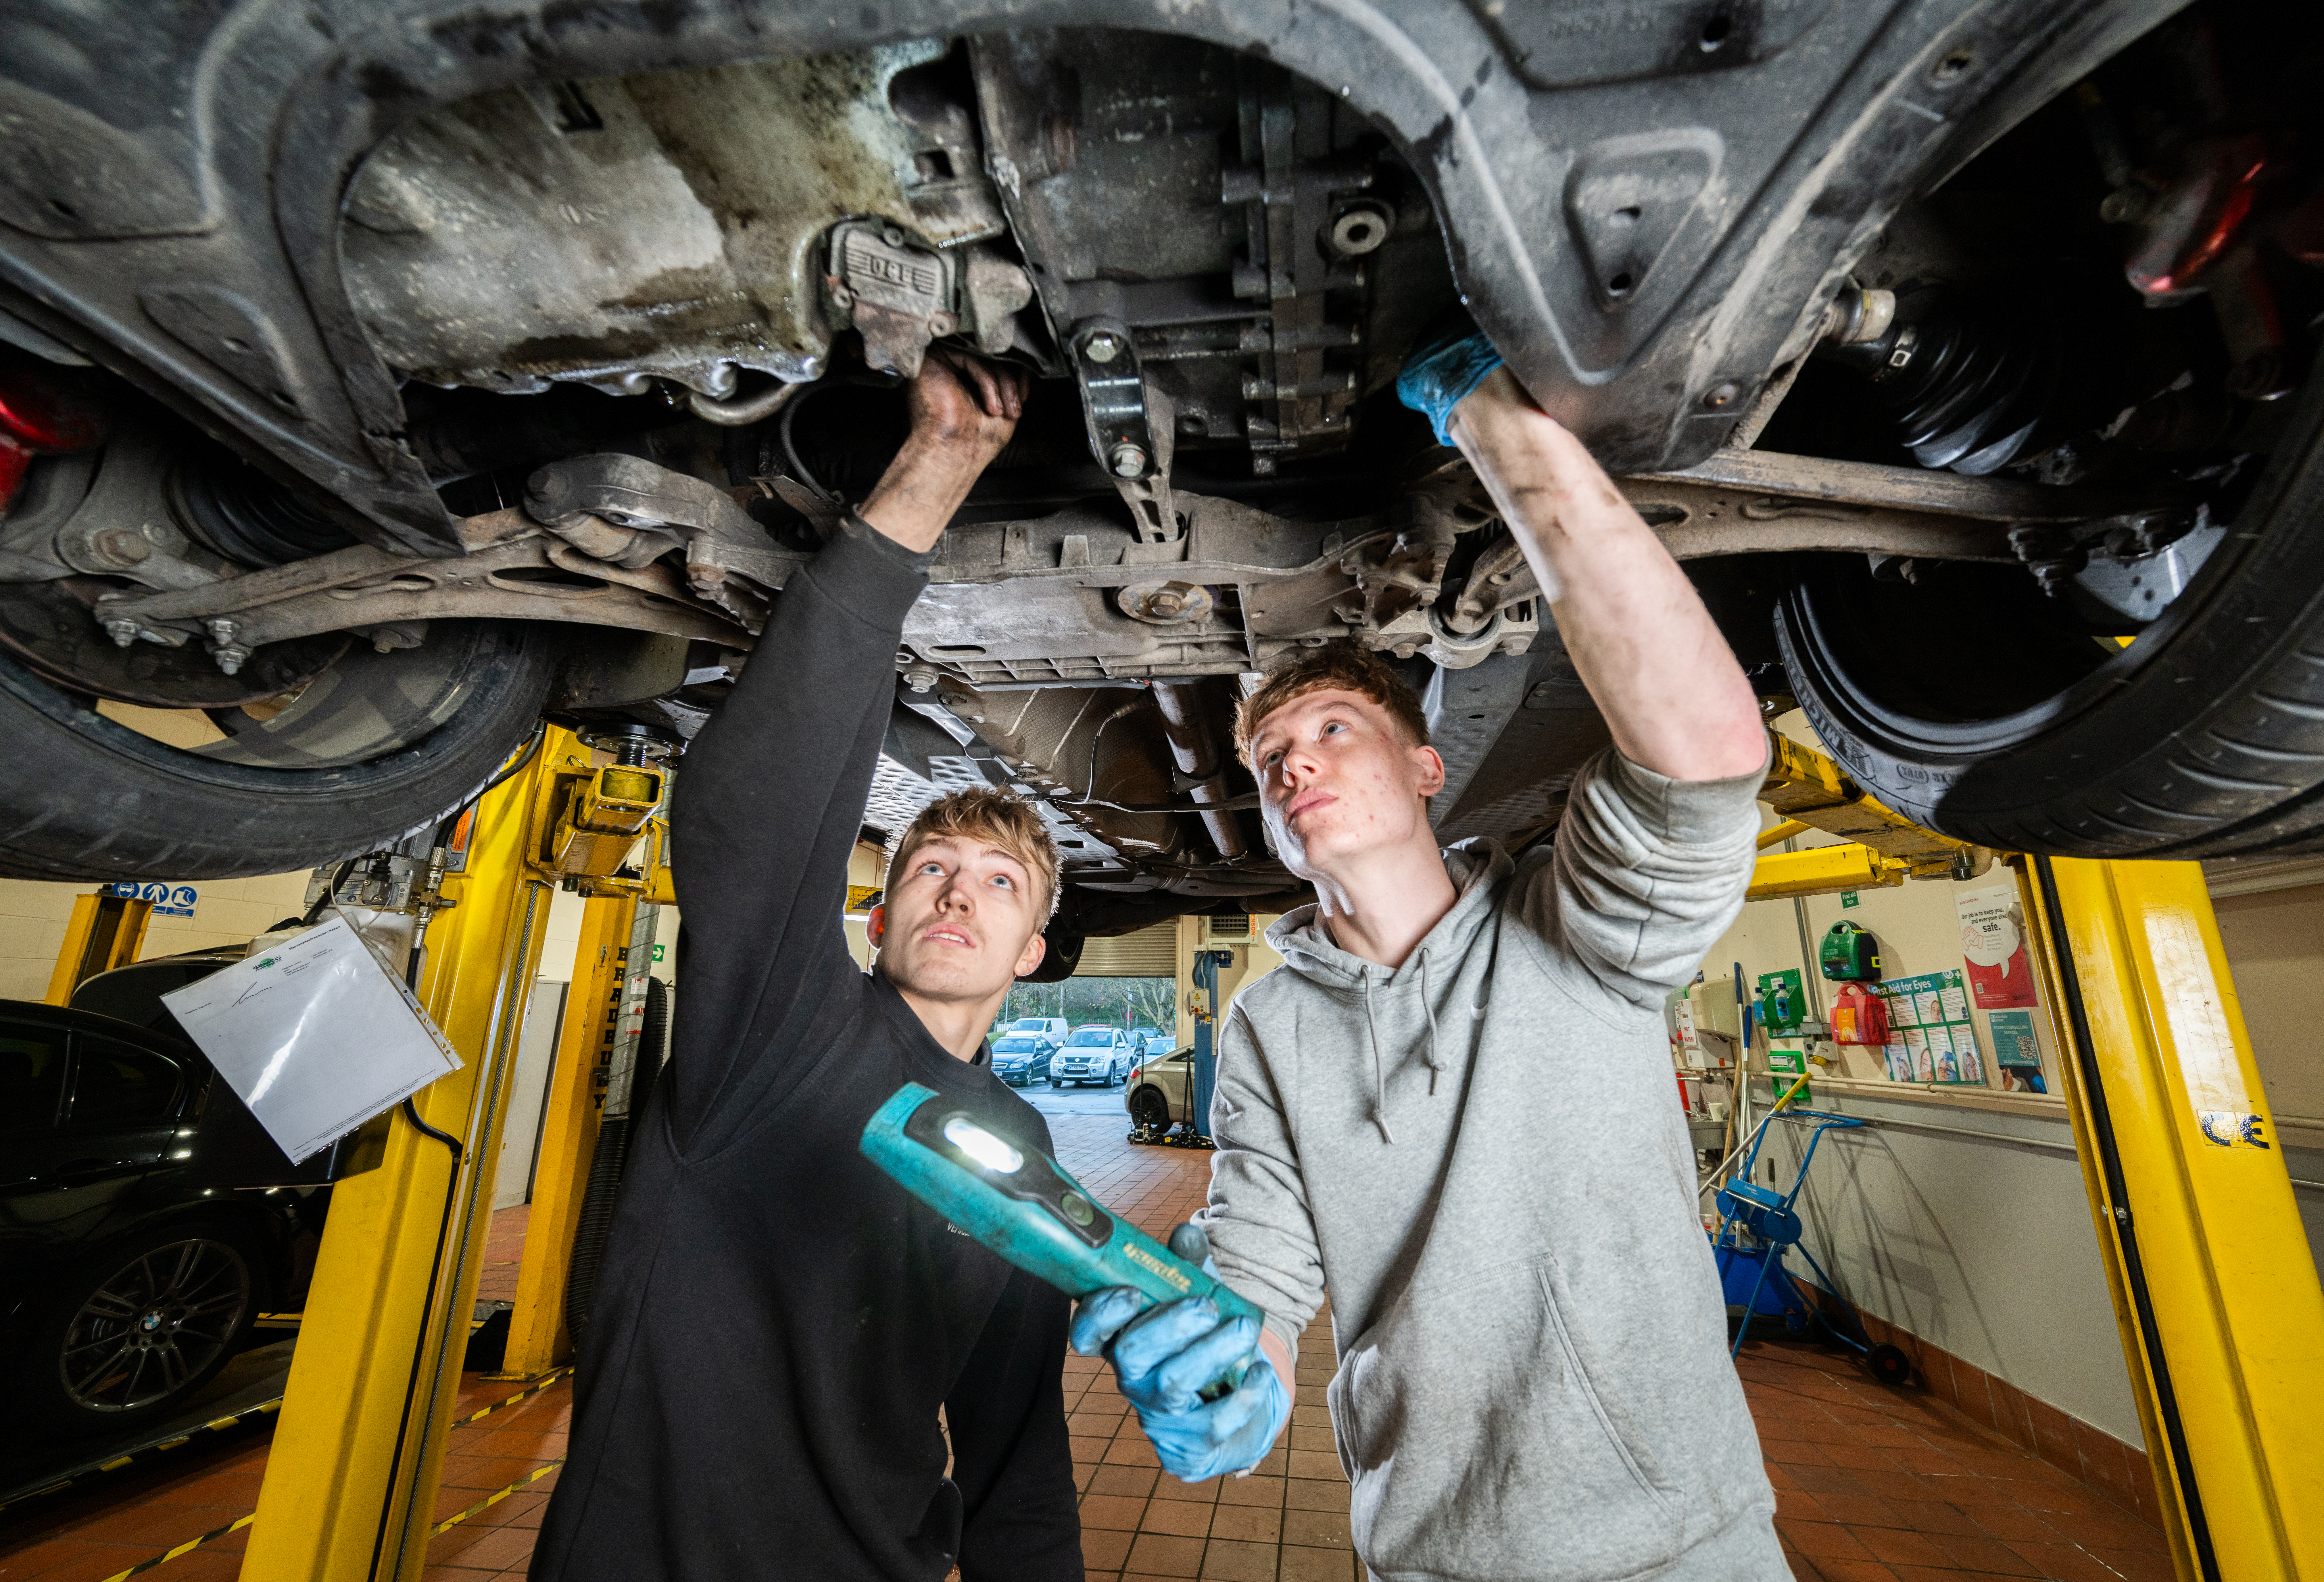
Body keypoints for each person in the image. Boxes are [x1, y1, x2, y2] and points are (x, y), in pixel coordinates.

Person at [1068, 333, 1789, 1580]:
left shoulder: (1573, 930)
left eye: (1333, 729)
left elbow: (1706, 755)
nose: (1294, 766)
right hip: (1425, 1558)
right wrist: (1232, 1356)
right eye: (1270, 759)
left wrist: (1504, 427)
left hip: (1683, 1548)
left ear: (1423, 767)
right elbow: (1261, 1258)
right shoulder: (1266, 1025)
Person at [528, 350, 1084, 1582]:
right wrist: (929, 477)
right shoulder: (779, 1031)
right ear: (878, 916)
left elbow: (1014, 1442)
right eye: (931, 867)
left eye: (1002, 883)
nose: (957, 890)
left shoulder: (1022, 1144)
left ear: (1032, 950)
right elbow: (753, 813)